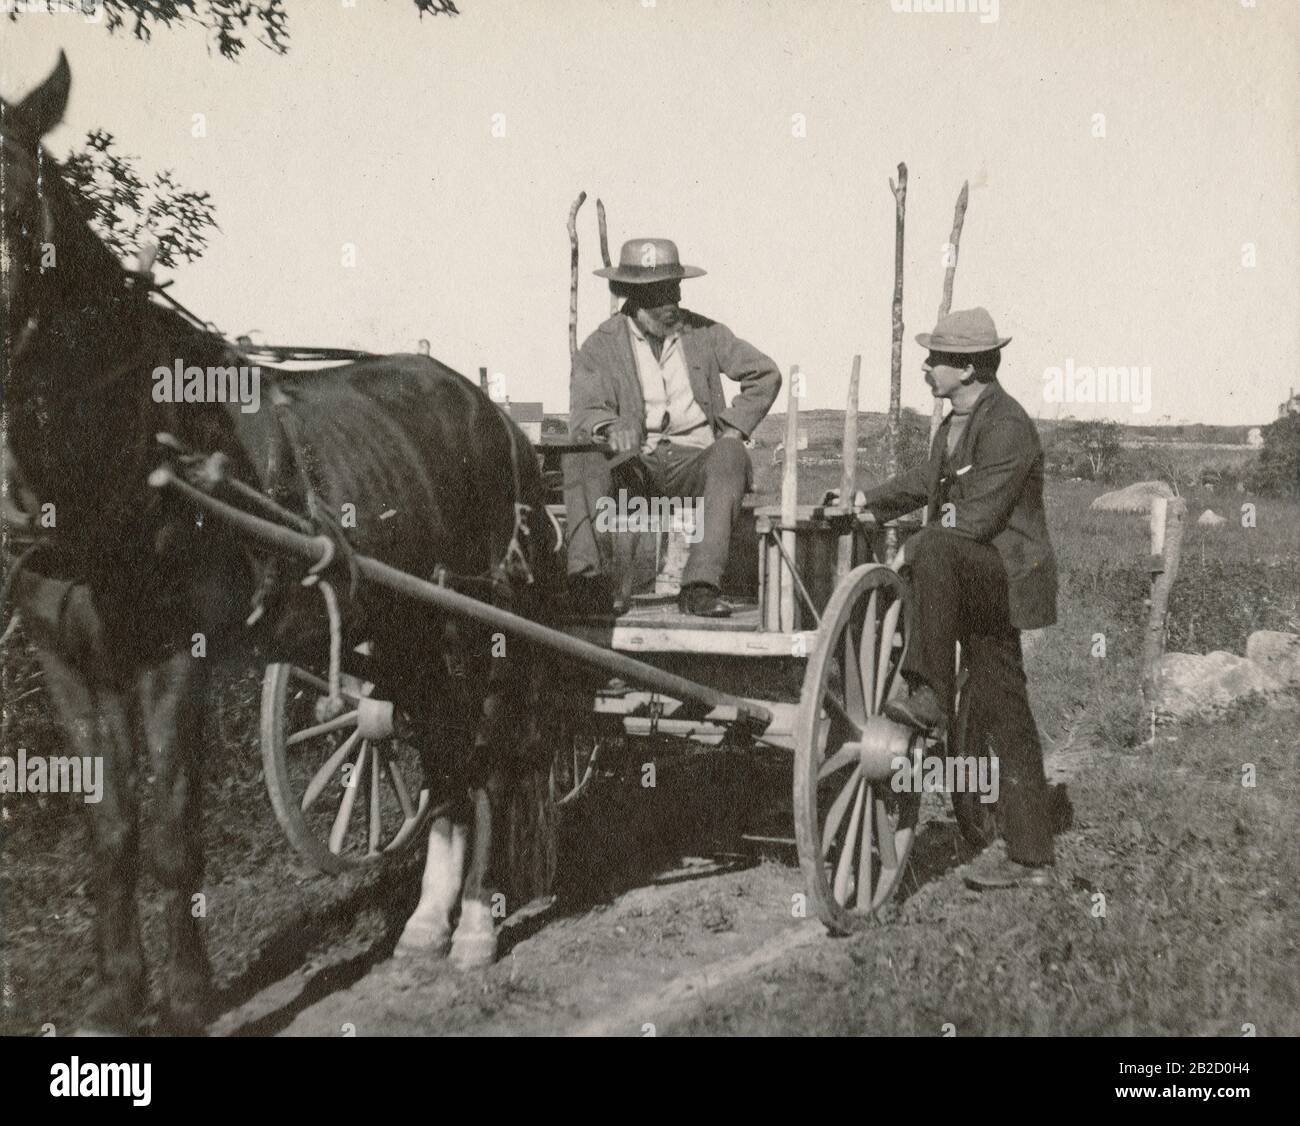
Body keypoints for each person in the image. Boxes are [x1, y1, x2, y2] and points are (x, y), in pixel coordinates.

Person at [853, 307, 1059, 890]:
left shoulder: (1008, 426)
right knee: (1004, 705)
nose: (927, 367)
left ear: (968, 367)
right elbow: (926, 483)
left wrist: (915, 547)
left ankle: (930, 695)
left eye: (937, 359)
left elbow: (977, 517)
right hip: (972, 573)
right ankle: (1031, 857)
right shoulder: (954, 423)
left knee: (937, 549)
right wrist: (865, 500)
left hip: (1004, 576)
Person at [564, 238, 780, 617]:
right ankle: (586, 581)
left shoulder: (706, 334)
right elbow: (584, 411)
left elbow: (765, 374)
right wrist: (609, 426)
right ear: (630, 296)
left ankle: (699, 587)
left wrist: (732, 429)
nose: (669, 305)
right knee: (579, 458)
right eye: (656, 296)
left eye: (673, 292)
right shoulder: (600, 345)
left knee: (731, 454)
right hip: (634, 467)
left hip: (693, 464)